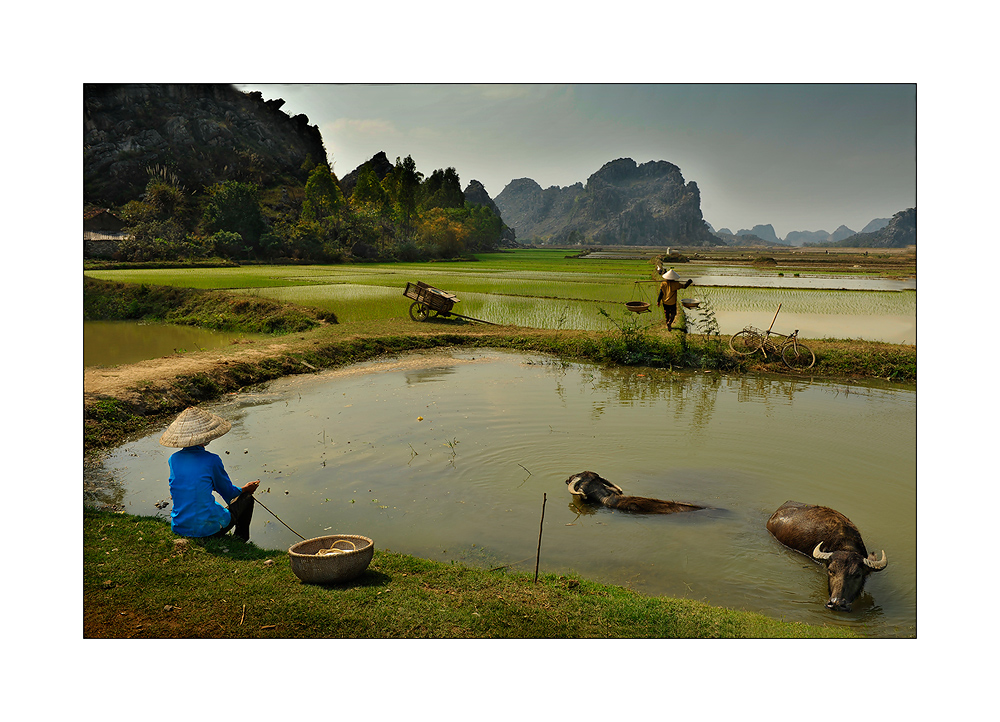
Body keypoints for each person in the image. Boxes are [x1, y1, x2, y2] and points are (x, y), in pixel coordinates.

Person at [159, 406, 260, 541]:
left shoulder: (173, 459)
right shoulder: (212, 460)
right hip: (206, 530)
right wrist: (246, 489)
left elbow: (191, 484)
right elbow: (229, 493)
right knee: (246, 499)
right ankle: (240, 539)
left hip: (179, 527)